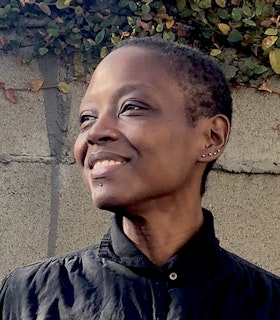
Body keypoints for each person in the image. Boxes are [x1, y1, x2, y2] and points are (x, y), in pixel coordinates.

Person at [0, 37, 279, 319]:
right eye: (87, 117)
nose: (95, 132)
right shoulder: (29, 297)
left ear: (210, 137)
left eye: (131, 107)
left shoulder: (269, 304)